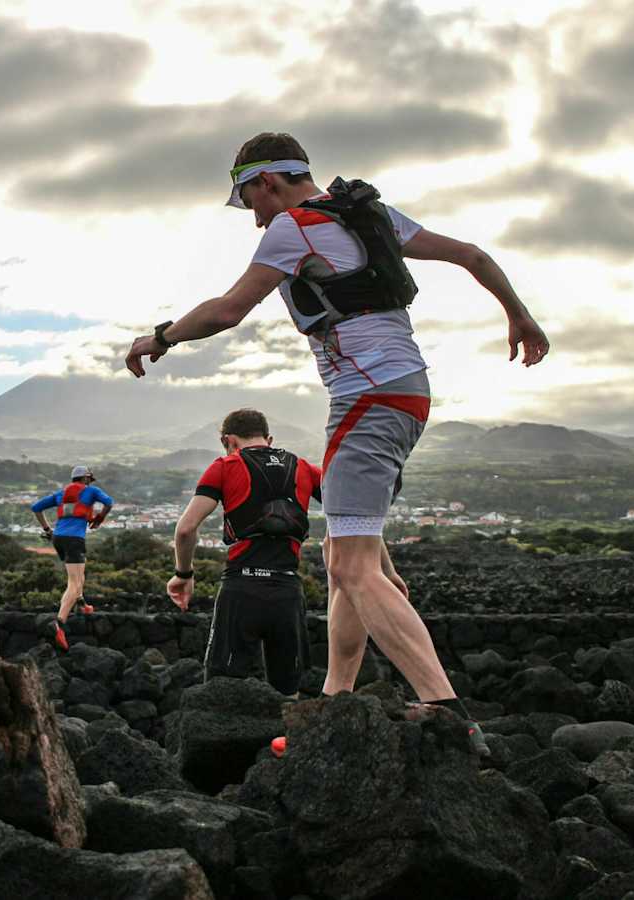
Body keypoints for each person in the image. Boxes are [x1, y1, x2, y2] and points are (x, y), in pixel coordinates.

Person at [124, 132, 552, 756]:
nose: (254, 218)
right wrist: (520, 313)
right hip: (407, 395)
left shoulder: (292, 226)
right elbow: (471, 254)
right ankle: (335, 701)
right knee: (347, 559)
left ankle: (450, 717)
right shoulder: (366, 213)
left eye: (249, 202)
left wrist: (158, 338)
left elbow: (226, 311)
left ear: (265, 181)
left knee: (352, 566)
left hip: (368, 400)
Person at [168, 408, 321, 695]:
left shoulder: (225, 465)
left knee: (219, 691)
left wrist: (183, 574)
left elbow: (186, 529)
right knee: (288, 694)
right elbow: (350, 505)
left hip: (241, 589)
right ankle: (284, 739)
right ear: (269, 438)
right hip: (287, 592)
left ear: (230, 441)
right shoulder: (302, 467)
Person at [30, 465, 114, 650]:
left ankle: (83, 605)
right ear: (85, 479)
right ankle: (59, 623)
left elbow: (35, 508)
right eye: (89, 479)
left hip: (58, 539)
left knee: (77, 576)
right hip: (74, 540)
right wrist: (99, 519)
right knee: (74, 584)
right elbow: (109, 502)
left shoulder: (61, 494)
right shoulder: (92, 491)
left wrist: (47, 529)